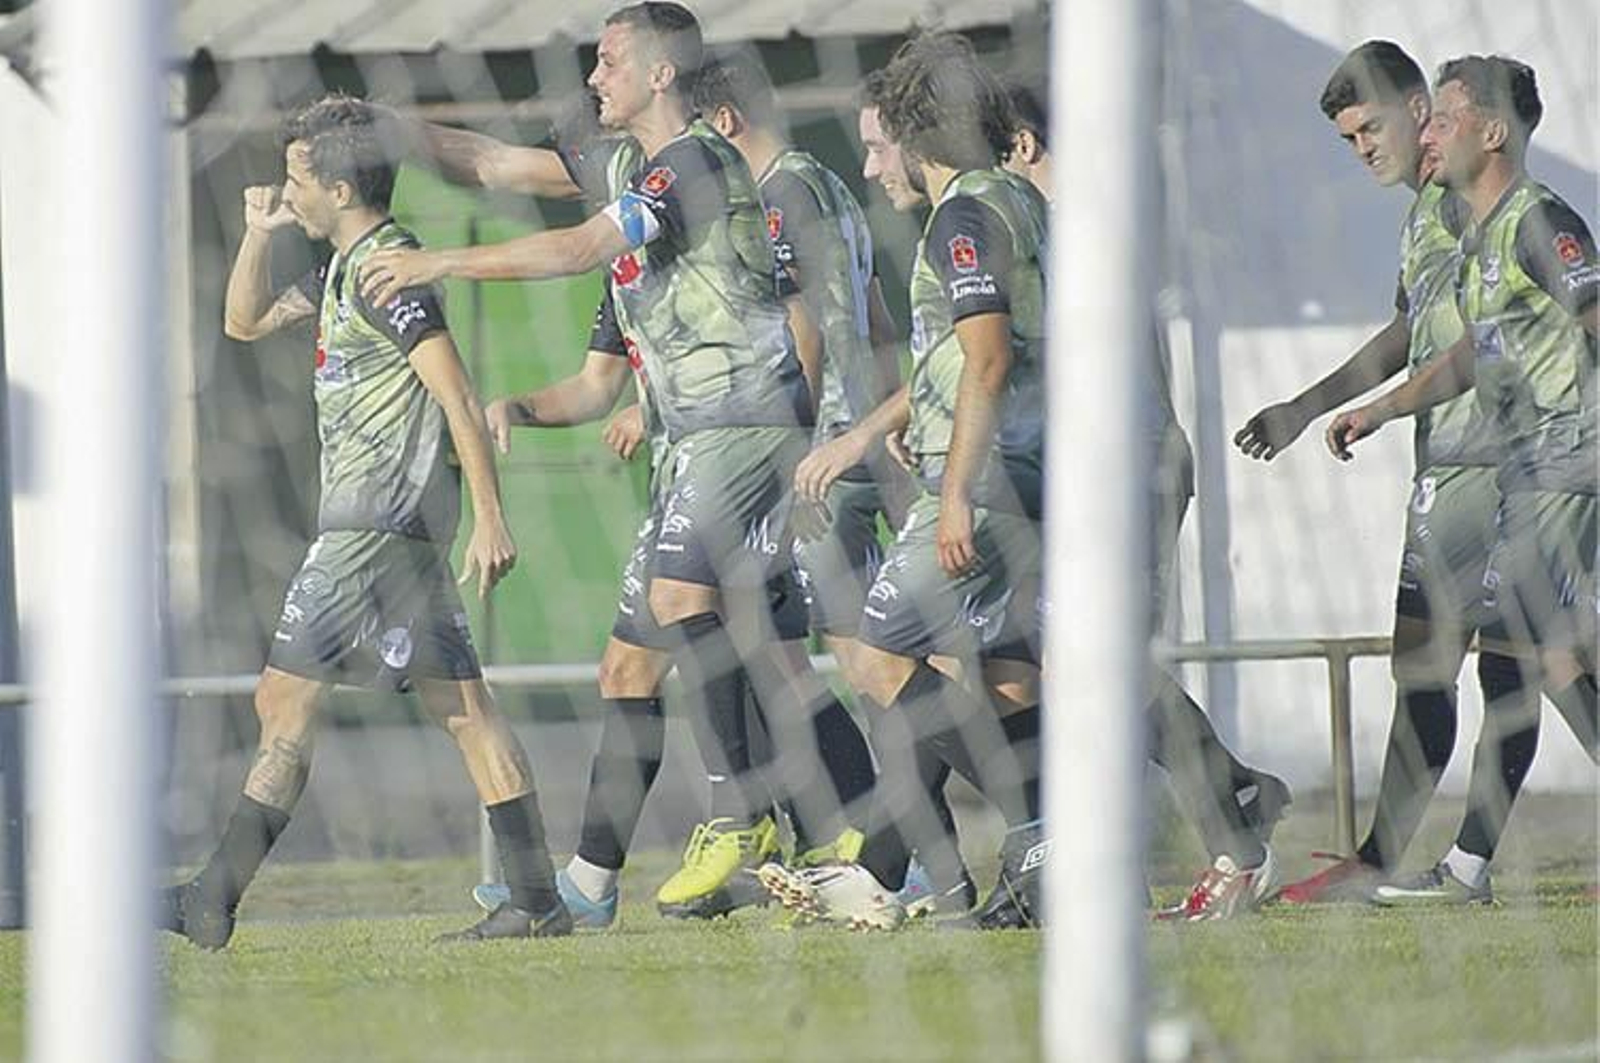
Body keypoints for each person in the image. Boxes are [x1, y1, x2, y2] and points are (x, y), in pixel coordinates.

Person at [362, 2, 877, 918]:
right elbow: (494, 166)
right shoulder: (637, 184)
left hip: (745, 426)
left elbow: (583, 246)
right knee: (639, 663)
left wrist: (439, 261)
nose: (592, 79)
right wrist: (397, 128)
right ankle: (599, 881)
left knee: (789, 641)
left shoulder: (698, 165)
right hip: (695, 445)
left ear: (661, 74)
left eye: (606, 63)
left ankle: (770, 818)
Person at [161, 95, 569, 947]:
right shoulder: (344, 267)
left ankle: (213, 901)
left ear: (342, 189)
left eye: (298, 178)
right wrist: (260, 231)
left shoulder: (389, 272)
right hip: (392, 535)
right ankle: (536, 900)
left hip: (370, 530)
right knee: (466, 710)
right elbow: (242, 323)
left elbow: (454, 392)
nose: (288, 188)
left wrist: (490, 517)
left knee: (284, 696)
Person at [1239, 41, 1545, 906]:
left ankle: (1455, 866)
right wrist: (1301, 409)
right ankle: (1392, 861)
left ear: (1421, 112)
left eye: (1370, 127)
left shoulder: (1489, 204)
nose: (1363, 148)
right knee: (1435, 666)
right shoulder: (1424, 217)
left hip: (1515, 468)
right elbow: (1407, 334)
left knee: (1527, 669)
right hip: (1446, 470)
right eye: (1347, 139)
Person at [759, 32, 1053, 930]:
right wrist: (867, 436)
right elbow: (946, 362)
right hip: (1029, 470)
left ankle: (1041, 833)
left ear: (921, 137)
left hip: (991, 477)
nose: (872, 162)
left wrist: (956, 488)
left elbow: (987, 359)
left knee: (879, 652)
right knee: (1007, 681)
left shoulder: (962, 216)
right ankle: (961, 874)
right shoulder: (1018, 200)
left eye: (883, 143)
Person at [1000, 73, 1291, 920]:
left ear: (1022, 147)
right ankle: (1237, 797)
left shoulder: (1074, 227)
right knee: (1097, 666)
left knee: (1108, 667)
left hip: (1130, 468)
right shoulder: (1074, 224)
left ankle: (1237, 835)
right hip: (1110, 466)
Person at [1327, 54, 1598, 904]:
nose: (1427, 132)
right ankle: (1467, 870)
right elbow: (1470, 354)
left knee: (1538, 654)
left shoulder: (1540, 222)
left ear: (1491, 130)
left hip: (1569, 459)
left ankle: (1464, 869)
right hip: (1529, 468)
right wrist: (1381, 409)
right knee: (1539, 657)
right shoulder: (1480, 229)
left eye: (1441, 118)